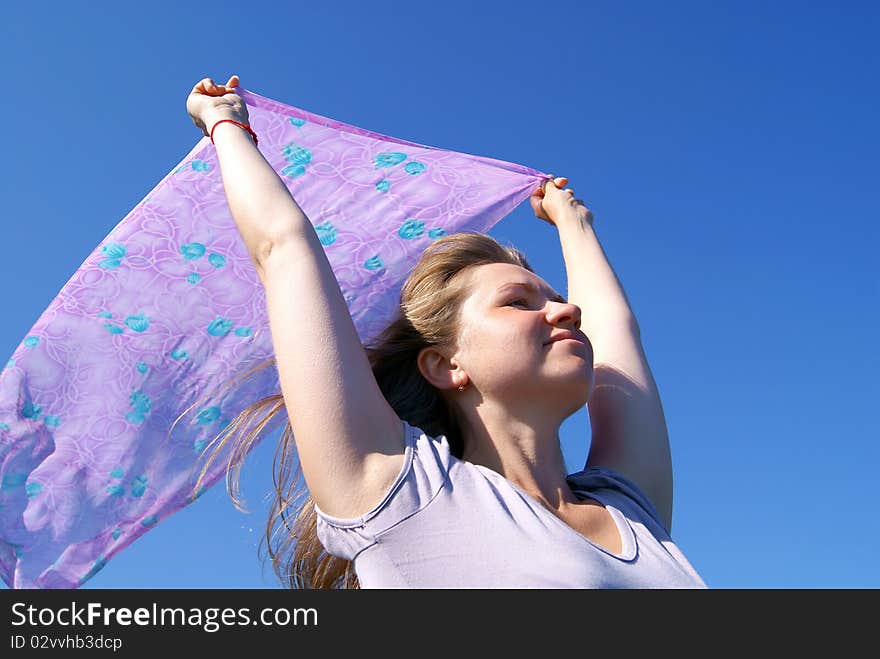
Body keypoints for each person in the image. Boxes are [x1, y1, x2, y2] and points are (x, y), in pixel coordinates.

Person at [185, 75, 707, 589]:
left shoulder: (630, 507)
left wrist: (575, 224)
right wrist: (226, 126)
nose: (566, 313)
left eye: (559, 301)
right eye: (518, 302)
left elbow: (617, 332)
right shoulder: (398, 492)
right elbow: (284, 251)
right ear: (445, 363)